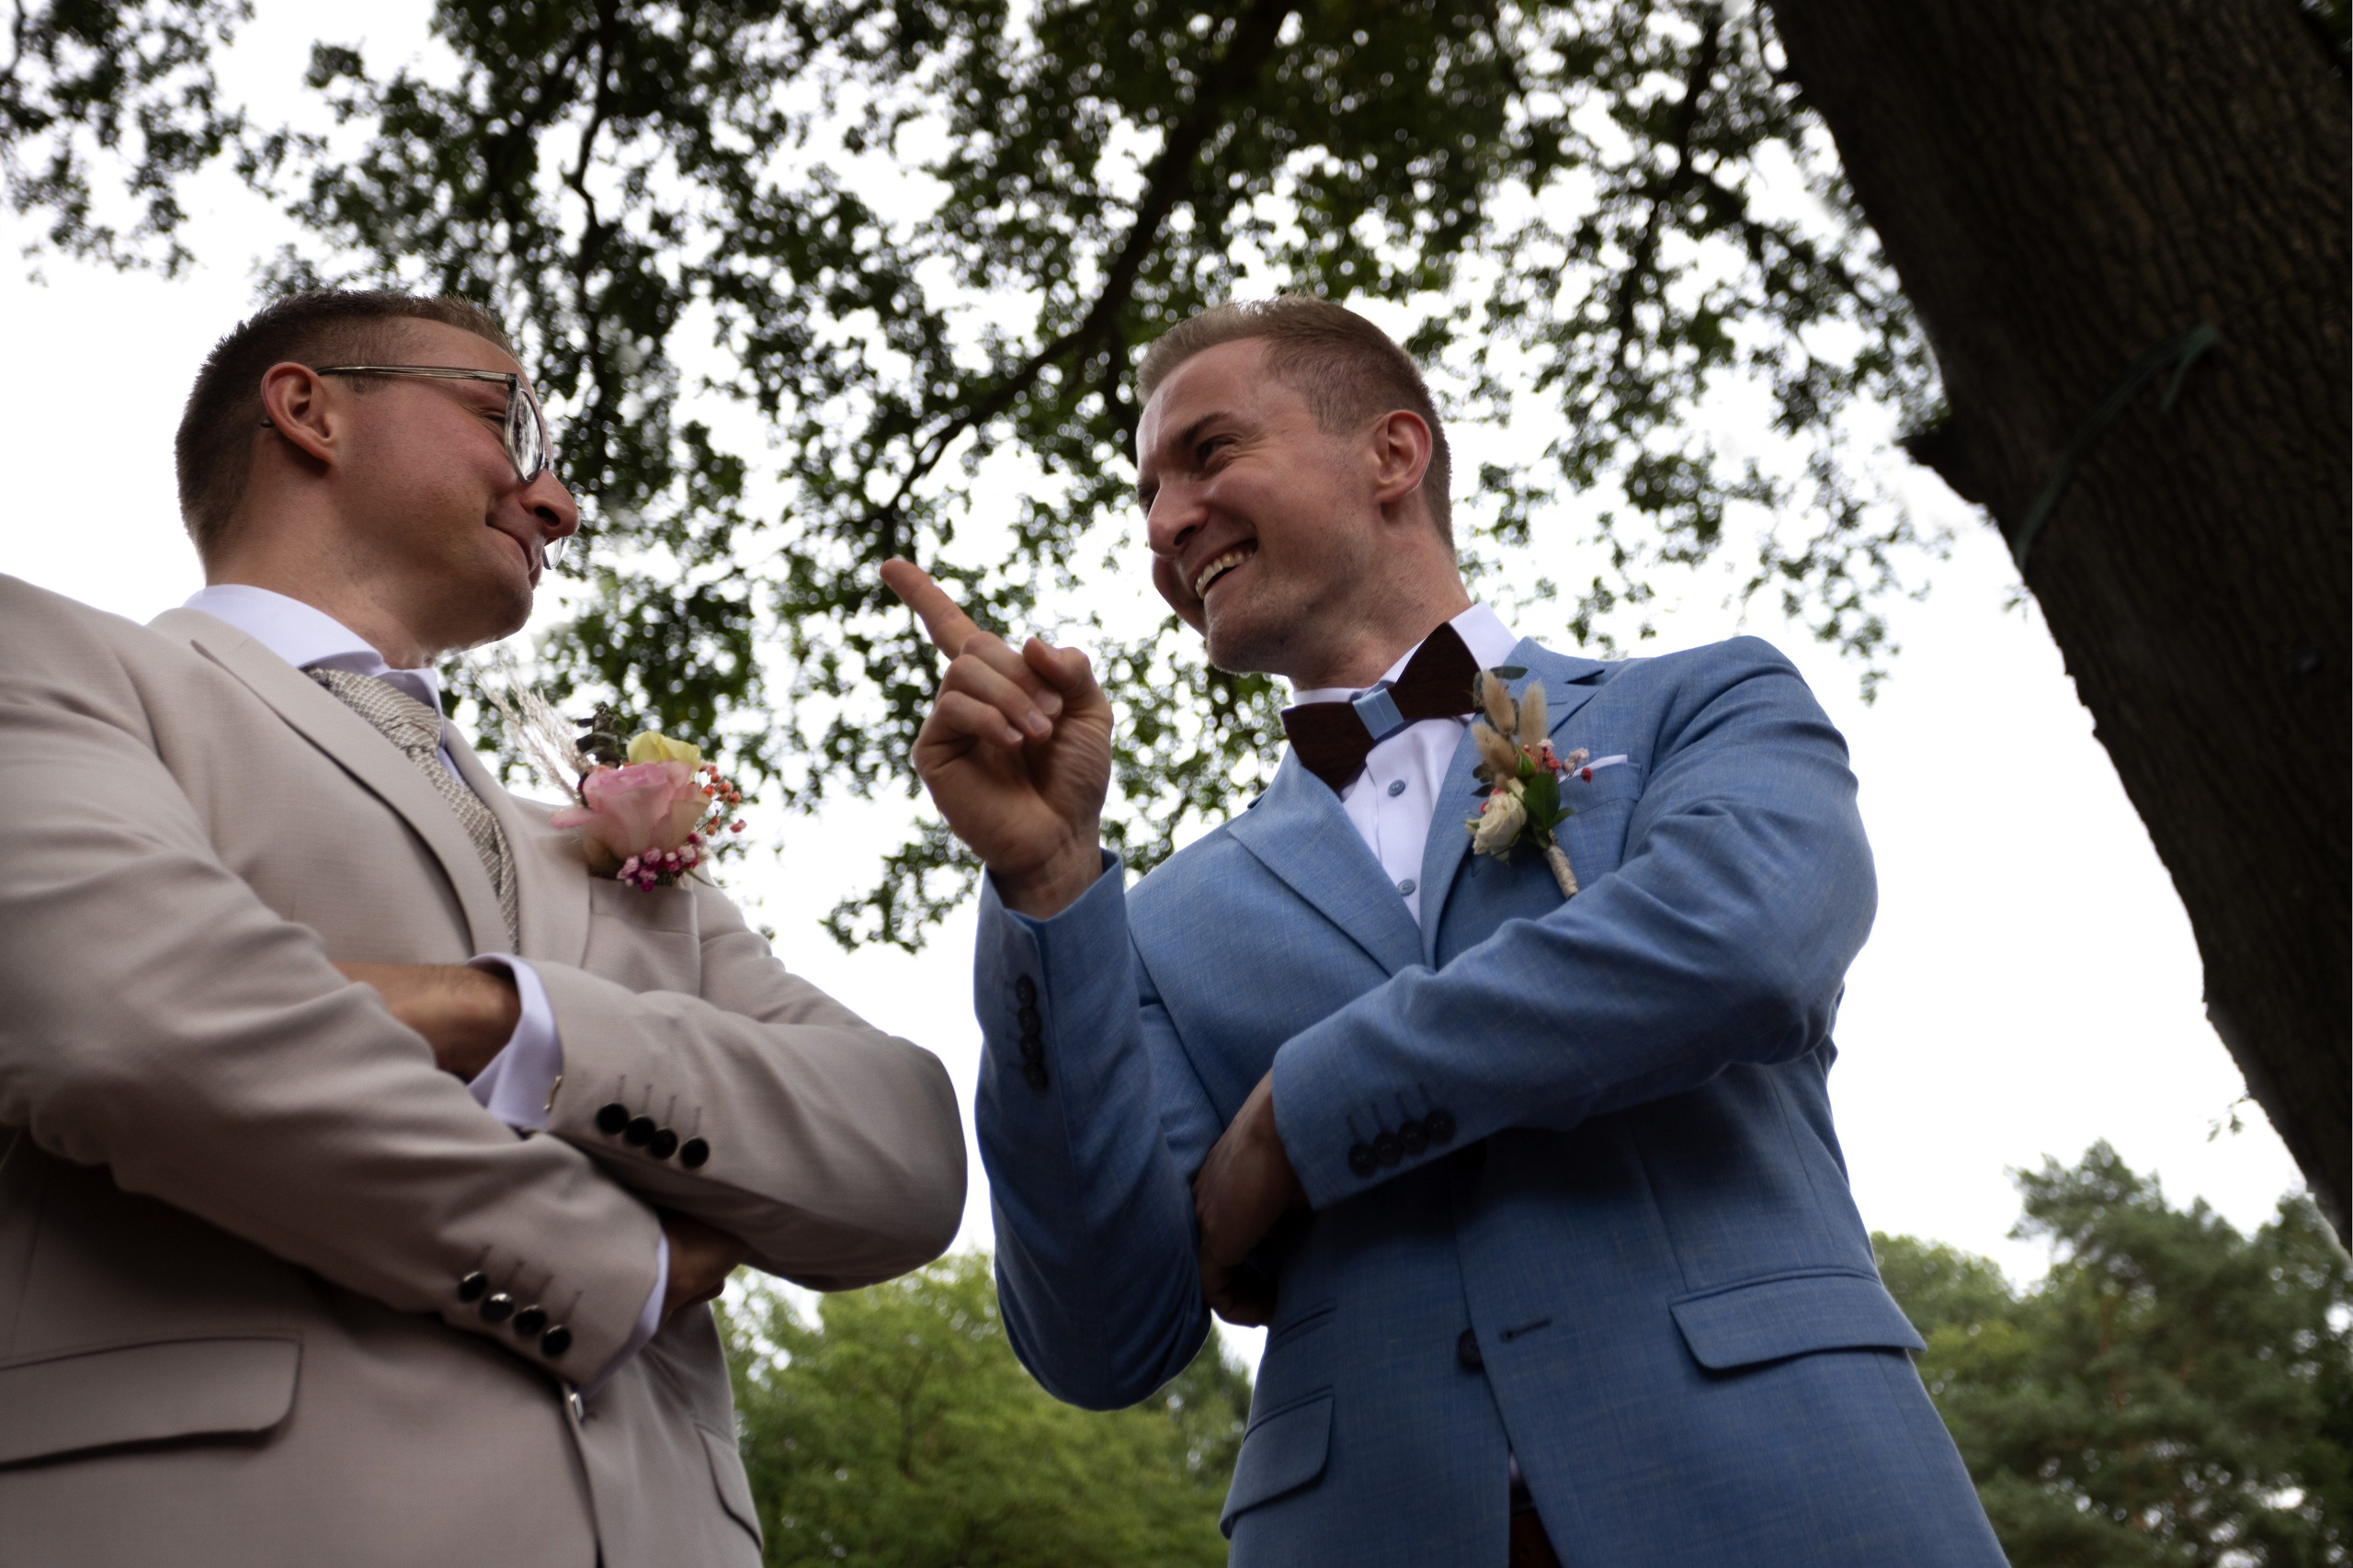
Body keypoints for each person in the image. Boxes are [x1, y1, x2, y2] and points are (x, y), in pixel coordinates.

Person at [881, 296, 2006, 1565]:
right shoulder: (1154, 928)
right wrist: (1046, 885)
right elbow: (1102, 1337)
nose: (1164, 522)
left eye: (1208, 454)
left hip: (1790, 1495)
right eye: (1146, 494)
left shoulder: (1703, 702)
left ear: (1392, 454)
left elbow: (1739, 947)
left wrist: (1295, 1115)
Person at [0, 290, 967, 1567]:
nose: (557, 501)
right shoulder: (49, 665)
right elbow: (133, 1024)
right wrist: (615, 1261)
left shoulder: (609, 854)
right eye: (512, 423)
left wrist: (507, 1019)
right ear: (310, 410)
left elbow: (905, 1148)